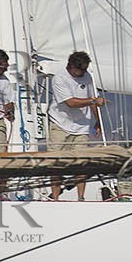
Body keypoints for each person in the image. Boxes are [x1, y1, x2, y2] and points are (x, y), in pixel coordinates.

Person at [47, 51, 105, 201]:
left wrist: (98, 121)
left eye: (86, 69)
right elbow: (70, 103)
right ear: (71, 67)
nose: (84, 73)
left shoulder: (87, 77)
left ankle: (81, 197)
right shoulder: (60, 78)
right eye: (81, 70)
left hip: (81, 127)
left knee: (81, 163)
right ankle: (55, 198)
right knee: (56, 163)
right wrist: (92, 101)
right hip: (60, 124)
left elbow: (92, 98)